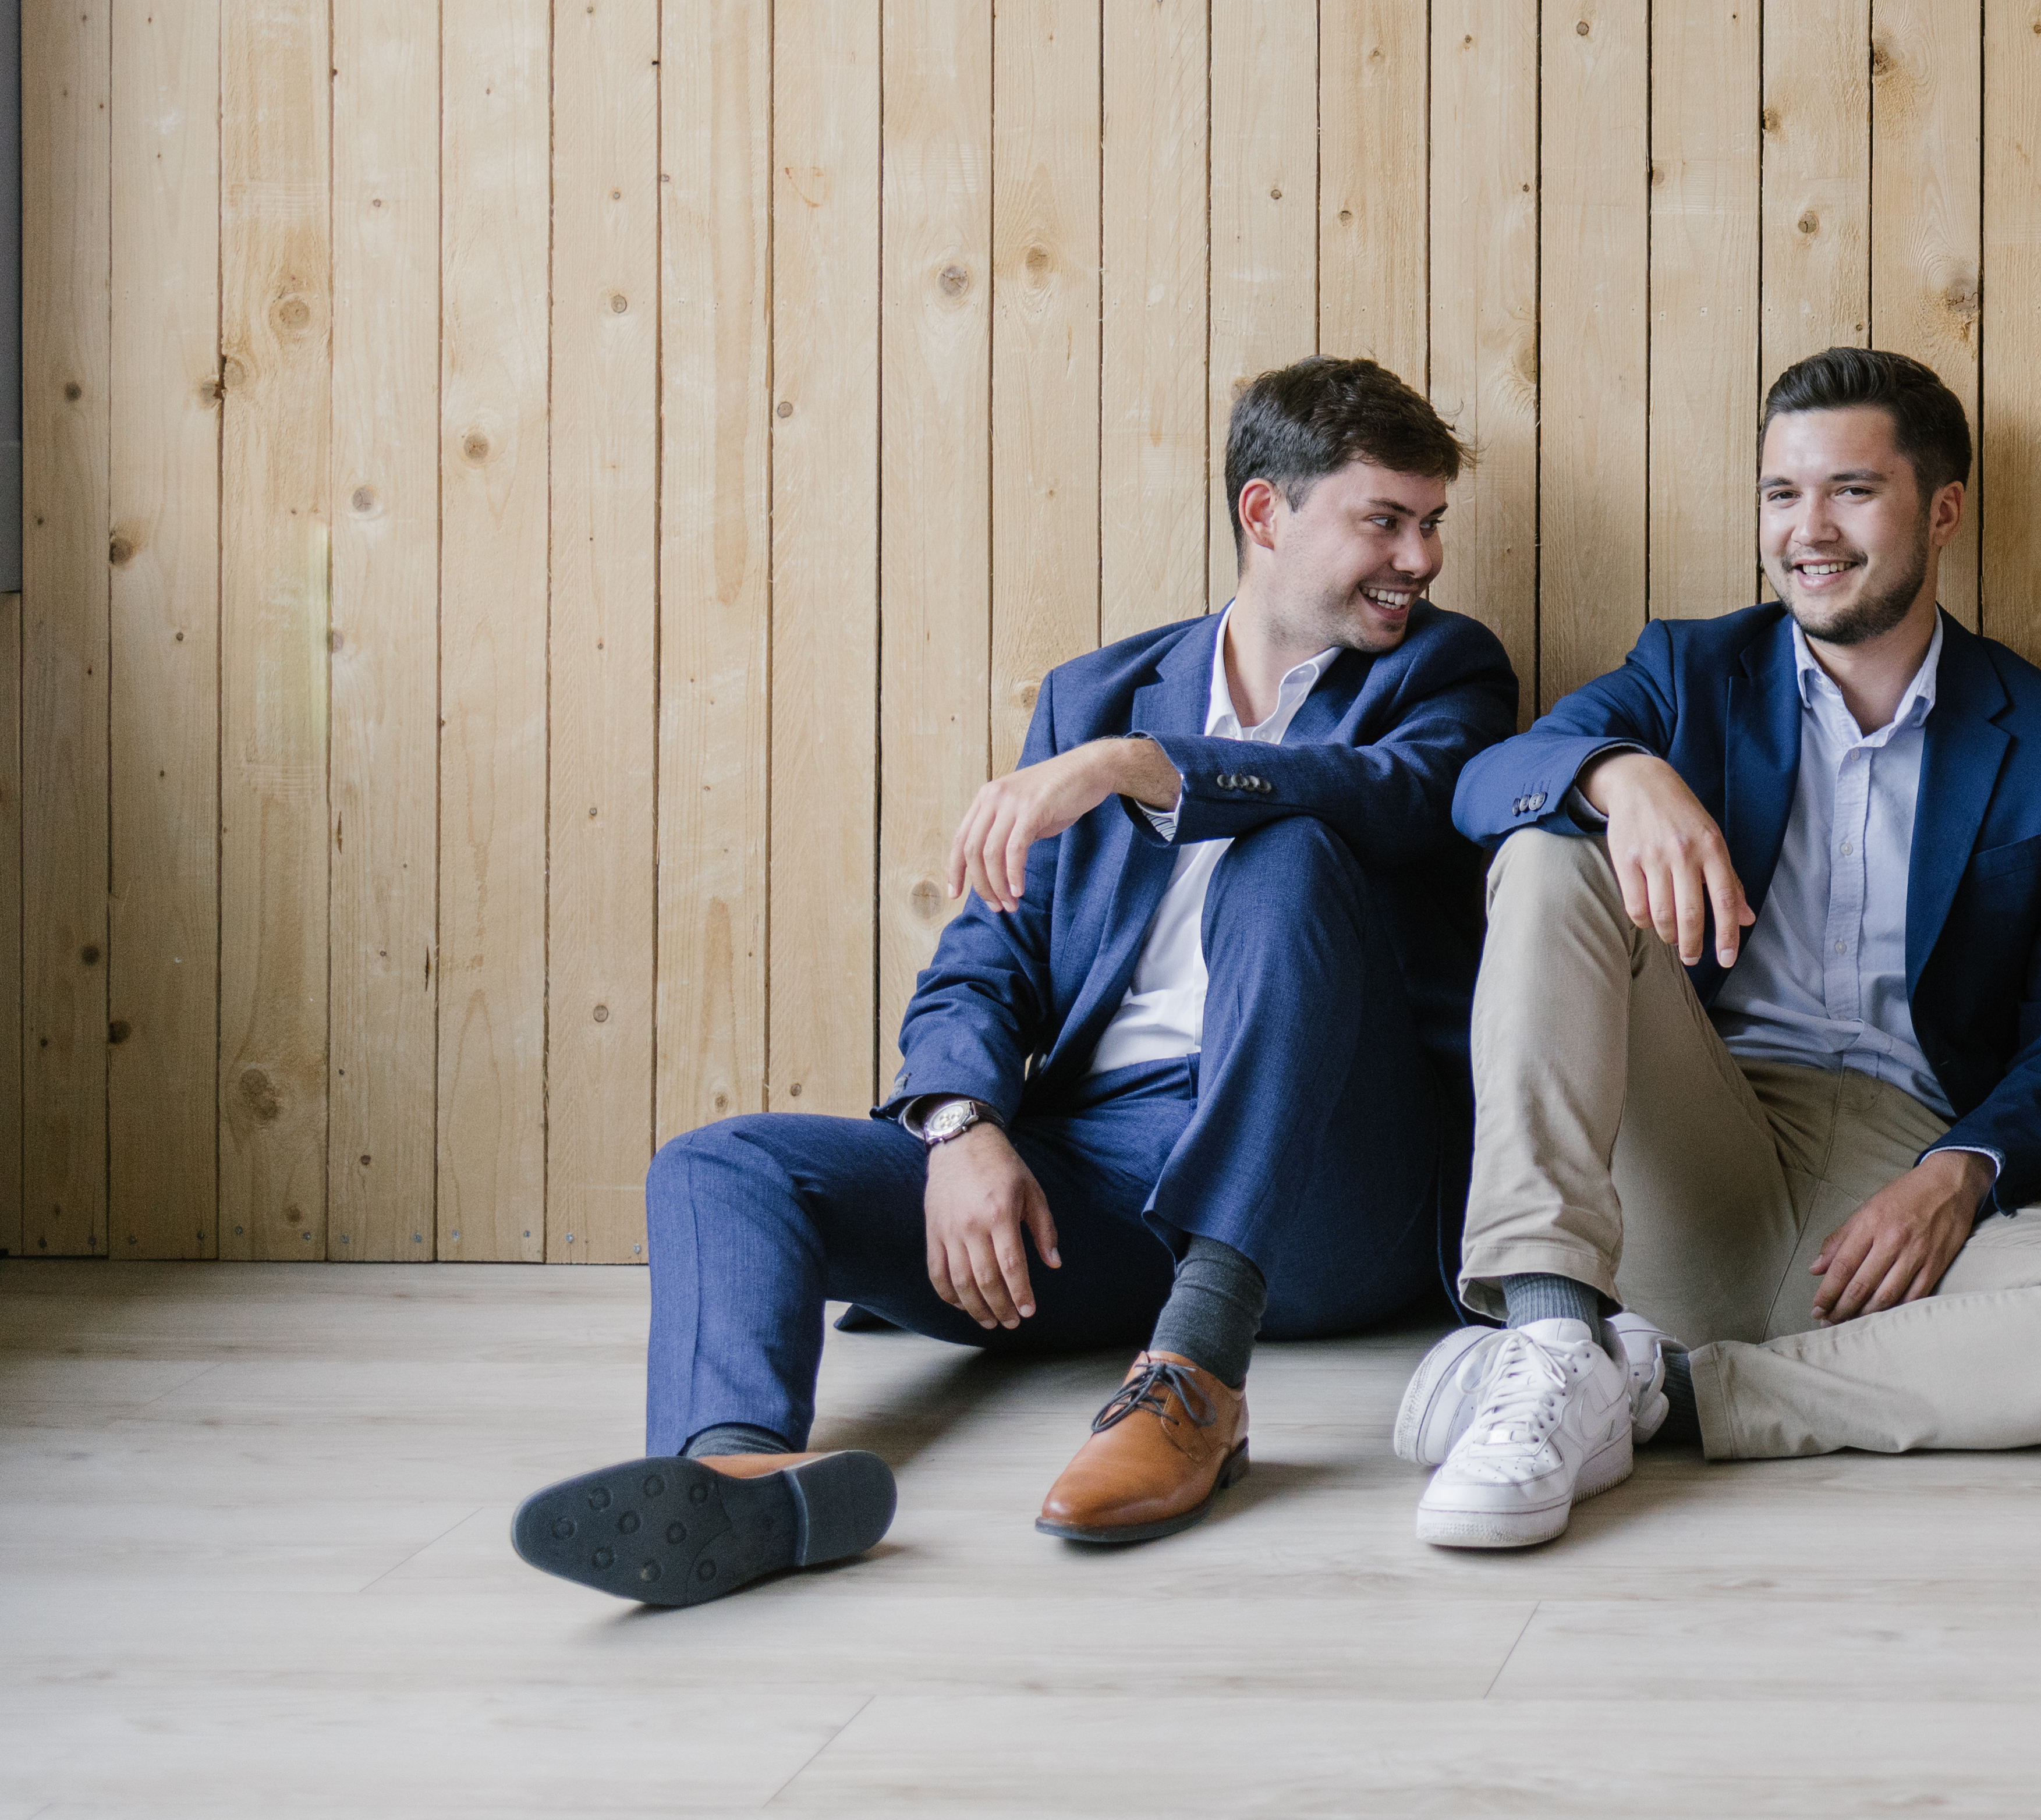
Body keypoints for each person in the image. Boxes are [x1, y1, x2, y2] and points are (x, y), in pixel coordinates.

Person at [511, 359, 1511, 1605]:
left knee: (1290, 854)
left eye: (1432, 526)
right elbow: (986, 955)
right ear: (1266, 514)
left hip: (1322, 1178)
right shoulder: (1091, 694)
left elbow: (1400, 800)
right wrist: (961, 1124)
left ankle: (1199, 1373)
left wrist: (1139, 767)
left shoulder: (1445, 671)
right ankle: (741, 1483)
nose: (1419, 557)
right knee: (723, 1167)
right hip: (1095, 1178)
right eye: (1385, 520)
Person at [1398, 345, 2041, 1551]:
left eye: (1851, 492)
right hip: (1696, 1138)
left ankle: (1660, 1395)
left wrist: (1959, 1175)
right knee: (1552, 849)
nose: (1807, 531)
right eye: (1782, 495)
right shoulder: (1688, 672)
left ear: (1941, 510)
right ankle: (1554, 1331)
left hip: (1897, 1179)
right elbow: (1484, 786)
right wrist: (1620, 776)